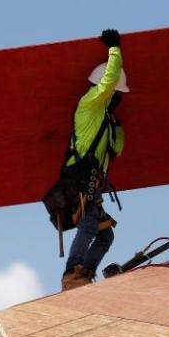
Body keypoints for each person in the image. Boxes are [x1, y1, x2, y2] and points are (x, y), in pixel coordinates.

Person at [61, 29, 128, 291]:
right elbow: (110, 79)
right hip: (78, 178)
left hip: (92, 182)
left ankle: (85, 273)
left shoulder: (106, 118)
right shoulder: (89, 104)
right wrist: (114, 48)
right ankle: (72, 275)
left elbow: (117, 149)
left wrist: (116, 124)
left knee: (105, 234)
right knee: (89, 224)